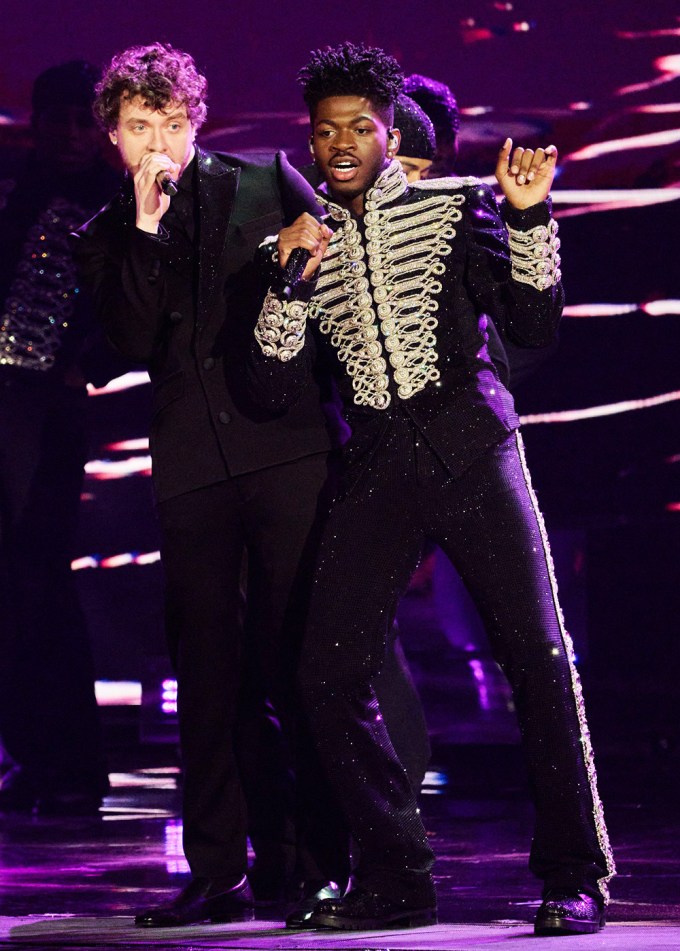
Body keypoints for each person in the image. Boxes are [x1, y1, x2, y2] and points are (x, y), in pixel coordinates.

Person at [250, 41, 615, 936]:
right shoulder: (298, 240)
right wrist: (288, 286)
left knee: (535, 657)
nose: (341, 142)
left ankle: (575, 873)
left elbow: (533, 324)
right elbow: (267, 390)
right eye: (324, 128)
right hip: (376, 465)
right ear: (311, 139)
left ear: (386, 131)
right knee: (325, 671)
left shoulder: (456, 212)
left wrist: (531, 220)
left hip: (470, 446)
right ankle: (397, 871)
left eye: (358, 126)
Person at [71, 41, 430, 930]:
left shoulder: (269, 180)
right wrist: (148, 230)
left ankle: (312, 864)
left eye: (171, 120)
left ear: (197, 120)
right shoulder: (107, 236)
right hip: (192, 472)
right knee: (210, 675)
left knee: (302, 660)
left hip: (291, 455)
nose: (157, 139)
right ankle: (219, 869)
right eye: (137, 125)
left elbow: (344, 283)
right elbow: (129, 336)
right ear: (113, 137)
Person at [0, 60, 120, 816]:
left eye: (85, 121)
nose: (72, 135)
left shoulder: (116, 200)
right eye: (60, 120)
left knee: (38, 577)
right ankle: (37, 753)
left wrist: (87, 360)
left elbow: (129, 312)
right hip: (9, 405)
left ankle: (67, 759)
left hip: (50, 412)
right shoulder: (14, 189)